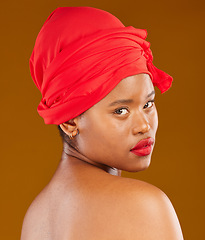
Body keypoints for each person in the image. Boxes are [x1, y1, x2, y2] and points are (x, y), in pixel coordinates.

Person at [21, 7, 184, 240]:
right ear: (69, 121)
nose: (143, 126)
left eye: (148, 104)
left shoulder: (36, 218)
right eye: (121, 110)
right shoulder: (143, 205)